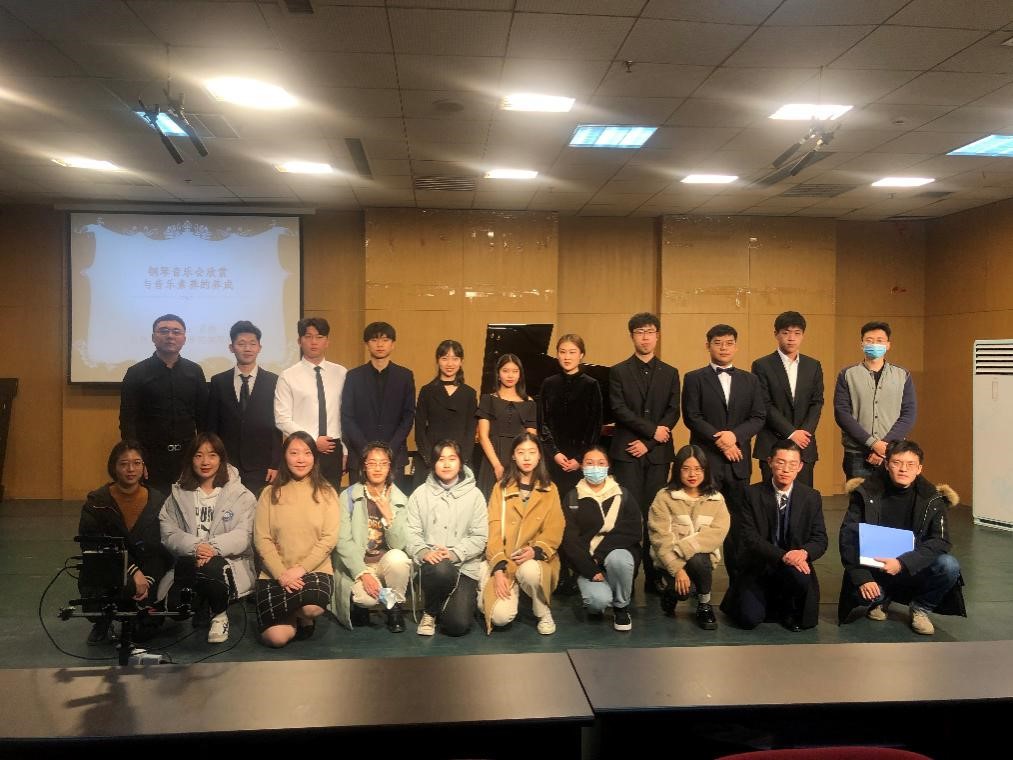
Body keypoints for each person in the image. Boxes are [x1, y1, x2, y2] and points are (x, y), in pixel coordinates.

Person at [839, 440, 964, 635]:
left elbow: (941, 541)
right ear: (886, 464)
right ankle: (882, 598)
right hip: (875, 569)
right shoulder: (865, 492)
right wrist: (862, 578)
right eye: (897, 463)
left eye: (910, 464)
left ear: (919, 468)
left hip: (913, 568)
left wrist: (902, 563)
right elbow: (848, 536)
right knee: (863, 593)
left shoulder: (932, 498)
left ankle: (921, 608)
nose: (903, 469)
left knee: (949, 566)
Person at [681, 323, 765, 578]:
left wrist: (734, 437)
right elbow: (692, 417)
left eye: (729, 343)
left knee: (738, 523)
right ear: (708, 346)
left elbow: (758, 416)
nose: (724, 348)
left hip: (738, 463)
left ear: (736, 347)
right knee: (699, 521)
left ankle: (738, 579)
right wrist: (722, 441)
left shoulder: (751, 380)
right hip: (706, 463)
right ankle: (699, 580)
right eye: (718, 343)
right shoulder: (694, 378)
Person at [157, 433, 257, 644]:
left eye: (212, 455)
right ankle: (203, 604)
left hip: (227, 561)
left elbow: (245, 534)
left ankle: (219, 615)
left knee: (211, 568)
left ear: (221, 459)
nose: (205, 462)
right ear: (191, 459)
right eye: (198, 455)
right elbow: (168, 532)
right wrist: (197, 547)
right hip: (190, 559)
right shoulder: (178, 493)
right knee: (176, 608)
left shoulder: (241, 494)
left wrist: (212, 548)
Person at [608, 312, 681, 593]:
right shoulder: (618, 371)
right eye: (640, 332)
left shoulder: (670, 372)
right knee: (628, 515)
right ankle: (629, 572)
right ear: (632, 336)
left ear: (657, 336)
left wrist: (649, 443)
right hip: (627, 453)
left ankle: (653, 574)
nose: (645, 337)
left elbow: (673, 412)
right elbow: (619, 409)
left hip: (658, 455)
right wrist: (651, 432)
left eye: (650, 332)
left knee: (657, 515)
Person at [722, 440, 828, 632]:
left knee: (800, 579)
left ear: (800, 467)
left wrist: (803, 553)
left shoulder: (811, 496)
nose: (786, 469)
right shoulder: (751, 493)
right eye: (780, 462)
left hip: (794, 565)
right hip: (759, 564)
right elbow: (748, 537)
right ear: (770, 462)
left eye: (792, 464)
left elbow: (820, 539)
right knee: (748, 619)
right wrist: (783, 556)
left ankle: (788, 608)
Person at [78, 440, 171, 645]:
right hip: (111, 568)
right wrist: (131, 571)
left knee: (144, 634)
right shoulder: (97, 502)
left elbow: (164, 548)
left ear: (144, 467)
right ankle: (102, 620)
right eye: (124, 464)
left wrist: (148, 579)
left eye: (137, 463)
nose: (131, 469)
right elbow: (90, 544)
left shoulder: (159, 500)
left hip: (149, 571)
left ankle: (140, 614)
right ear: (113, 467)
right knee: (107, 582)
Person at [253, 431, 340, 647]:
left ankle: (304, 616)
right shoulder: (269, 493)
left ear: (314, 457)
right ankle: (292, 615)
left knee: (311, 608)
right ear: (284, 456)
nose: (301, 459)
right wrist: (281, 574)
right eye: (294, 453)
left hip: (313, 570)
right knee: (275, 639)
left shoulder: (327, 492)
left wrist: (300, 570)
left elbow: (329, 539)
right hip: (276, 573)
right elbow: (262, 539)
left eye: (307, 453)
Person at [482, 433, 564, 635]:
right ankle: (510, 590)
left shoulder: (550, 489)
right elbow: (493, 529)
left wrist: (536, 551)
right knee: (499, 618)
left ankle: (542, 611)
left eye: (532, 452)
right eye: (521, 452)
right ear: (513, 456)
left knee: (530, 571)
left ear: (539, 456)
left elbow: (555, 527)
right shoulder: (500, 488)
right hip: (506, 561)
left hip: (534, 559)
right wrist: (498, 568)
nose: (527, 458)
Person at [405, 440, 488, 637]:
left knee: (457, 626)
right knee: (442, 569)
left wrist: (454, 553)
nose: (446, 464)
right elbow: (410, 532)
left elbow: (480, 536)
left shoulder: (475, 495)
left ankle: (453, 603)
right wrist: (424, 551)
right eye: (441, 459)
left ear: (461, 463)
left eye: (452, 459)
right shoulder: (420, 494)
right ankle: (430, 611)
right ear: (433, 463)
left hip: (464, 566)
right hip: (432, 566)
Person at [119, 314, 208, 493]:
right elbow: (128, 420)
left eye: (176, 331)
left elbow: (203, 418)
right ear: (153, 337)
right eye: (164, 331)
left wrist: (203, 455)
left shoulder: (195, 371)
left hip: (187, 456)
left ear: (184, 338)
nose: (170, 336)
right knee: (152, 506)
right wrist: (136, 459)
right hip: (150, 457)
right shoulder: (136, 372)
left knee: (188, 504)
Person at [332, 442, 412, 633]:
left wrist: (389, 516)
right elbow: (342, 541)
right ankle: (366, 603)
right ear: (364, 466)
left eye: (383, 463)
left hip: (385, 563)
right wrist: (363, 573)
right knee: (366, 599)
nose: (377, 468)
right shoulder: (348, 496)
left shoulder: (400, 499)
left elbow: (399, 544)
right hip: (359, 564)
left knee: (399, 559)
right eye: (372, 463)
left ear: (390, 467)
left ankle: (394, 608)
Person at [559, 446, 641, 631]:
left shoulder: (623, 495)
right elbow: (570, 540)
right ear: (581, 466)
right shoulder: (572, 498)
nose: (595, 467)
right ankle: (600, 593)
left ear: (608, 466)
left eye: (600, 463)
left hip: (615, 557)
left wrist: (600, 554)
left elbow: (633, 530)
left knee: (619, 559)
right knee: (597, 602)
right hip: (587, 563)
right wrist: (589, 568)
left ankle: (621, 607)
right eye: (589, 463)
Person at [648, 445, 729, 630]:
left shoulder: (716, 499)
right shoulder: (664, 497)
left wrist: (686, 547)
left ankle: (704, 604)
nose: (692, 474)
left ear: (705, 471)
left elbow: (718, 533)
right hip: (670, 560)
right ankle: (671, 592)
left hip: (701, 560)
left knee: (698, 560)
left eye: (698, 469)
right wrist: (678, 569)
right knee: (684, 592)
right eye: (686, 469)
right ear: (677, 470)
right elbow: (659, 537)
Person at [834, 321, 917, 480]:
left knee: (892, 496)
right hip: (857, 453)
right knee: (858, 495)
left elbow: (909, 414)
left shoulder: (902, 375)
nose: (874, 344)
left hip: (893, 454)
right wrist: (873, 443)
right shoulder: (847, 374)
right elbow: (842, 413)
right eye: (869, 340)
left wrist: (885, 446)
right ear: (862, 344)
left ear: (888, 345)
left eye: (880, 340)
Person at [206, 320, 281, 495]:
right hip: (226, 464)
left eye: (252, 344)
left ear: (259, 348)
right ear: (231, 347)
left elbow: (277, 427)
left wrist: (275, 464)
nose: (247, 348)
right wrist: (214, 460)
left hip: (262, 465)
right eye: (241, 343)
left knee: (258, 509)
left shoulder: (274, 381)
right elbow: (212, 427)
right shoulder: (218, 381)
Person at [751, 311, 824, 487]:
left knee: (803, 496)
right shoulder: (762, 365)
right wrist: (791, 433)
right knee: (771, 496)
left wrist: (804, 433)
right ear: (776, 334)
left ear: (803, 335)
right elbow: (764, 403)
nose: (791, 338)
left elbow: (816, 402)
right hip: (772, 442)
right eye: (786, 333)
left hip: (804, 444)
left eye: (797, 333)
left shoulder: (813, 365)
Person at [340, 322, 416, 489]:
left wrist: (389, 449)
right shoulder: (353, 376)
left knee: (394, 504)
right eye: (374, 340)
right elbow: (347, 417)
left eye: (385, 340)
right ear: (367, 344)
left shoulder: (405, 376)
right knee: (359, 503)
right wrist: (366, 450)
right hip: (360, 456)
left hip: (394, 456)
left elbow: (408, 416)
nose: (380, 344)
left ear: (393, 344)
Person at [275, 317, 347, 491]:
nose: (314, 342)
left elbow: (345, 416)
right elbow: (282, 419)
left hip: (333, 449)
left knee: (331, 499)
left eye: (319, 337)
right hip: (302, 449)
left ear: (327, 342)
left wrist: (345, 450)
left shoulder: (341, 373)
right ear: (299, 341)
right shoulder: (288, 376)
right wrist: (313, 440)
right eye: (308, 336)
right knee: (301, 498)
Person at [539, 333, 603, 499]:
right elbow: (542, 422)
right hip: (552, 458)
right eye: (562, 352)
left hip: (580, 460)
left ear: (581, 355)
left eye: (572, 352)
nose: (567, 357)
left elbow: (594, 426)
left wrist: (579, 459)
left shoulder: (591, 385)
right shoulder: (548, 383)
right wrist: (554, 453)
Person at [414, 339, 478, 486]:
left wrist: (461, 460)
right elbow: (419, 429)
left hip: (460, 460)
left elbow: (470, 431)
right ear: (438, 360)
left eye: (455, 359)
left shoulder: (469, 393)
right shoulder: (427, 391)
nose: (450, 364)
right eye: (444, 358)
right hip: (430, 459)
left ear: (461, 361)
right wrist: (430, 459)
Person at [476, 353, 537, 497]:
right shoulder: (488, 399)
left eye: (515, 371)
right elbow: (483, 436)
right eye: (505, 371)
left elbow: (532, 438)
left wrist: (524, 461)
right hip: (492, 458)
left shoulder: (529, 403)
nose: (510, 375)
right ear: (498, 374)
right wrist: (497, 465)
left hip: (518, 458)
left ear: (520, 375)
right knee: (489, 499)